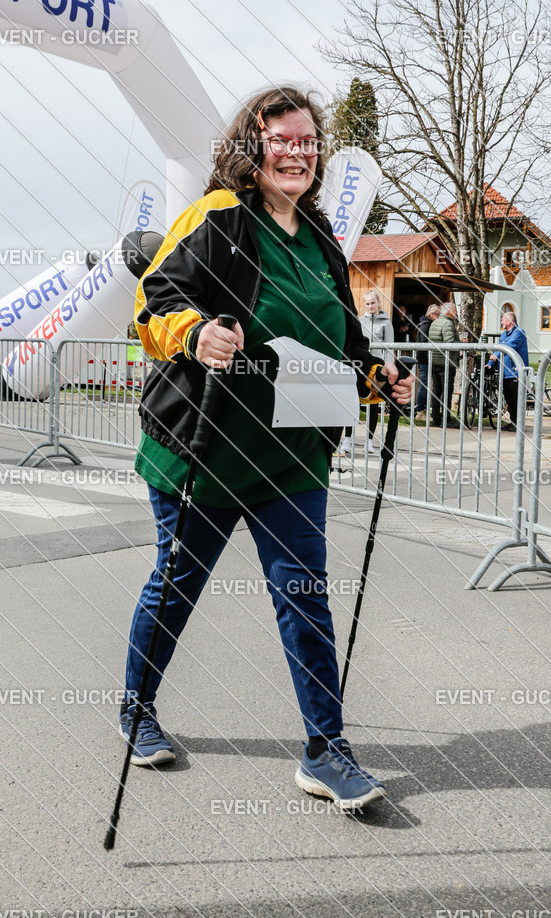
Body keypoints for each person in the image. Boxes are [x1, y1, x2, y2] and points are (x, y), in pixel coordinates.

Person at [120, 86, 414, 812]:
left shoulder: (321, 243)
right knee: (177, 585)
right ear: (252, 149)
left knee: (304, 596)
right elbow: (154, 301)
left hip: (289, 455)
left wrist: (379, 379)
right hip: (204, 447)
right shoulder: (217, 218)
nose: (296, 152)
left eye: (306, 141)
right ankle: (137, 707)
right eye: (281, 140)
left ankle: (325, 750)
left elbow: (344, 345)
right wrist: (195, 333)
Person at [340, 290, 394, 454]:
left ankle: (369, 440)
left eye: (373, 303)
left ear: (378, 303)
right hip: (359, 366)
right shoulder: (359, 321)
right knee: (352, 403)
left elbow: (390, 347)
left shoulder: (386, 323)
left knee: (373, 406)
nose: (370, 306)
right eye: (367, 303)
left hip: (377, 369)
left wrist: (388, 369)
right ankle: (347, 439)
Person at [485, 311, 529, 432]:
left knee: (516, 399)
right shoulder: (504, 335)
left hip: (516, 372)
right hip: (504, 373)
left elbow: (509, 346)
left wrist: (496, 355)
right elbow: (498, 349)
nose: (501, 322)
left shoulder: (519, 332)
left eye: (503, 320)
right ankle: (513, 422)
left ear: (509, 321)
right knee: (509, 400)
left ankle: (519, 424)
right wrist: (490, 364)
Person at [428, 302, 461, 428]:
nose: (456, 313)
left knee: (436, 390)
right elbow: (449, 342)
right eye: (454, 310)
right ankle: (445, 419)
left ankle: (436, 418)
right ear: (448, 311)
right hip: (446, 362)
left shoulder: (435, 322)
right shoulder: (448, 323)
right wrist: (462, 344)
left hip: (435, 361)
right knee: (446, 391)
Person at [414, 304, 441, 414]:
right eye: (438, 315)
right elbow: (424, 341)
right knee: (424, 384)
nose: (439, 317)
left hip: (423, 357)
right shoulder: (426, 325)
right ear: (431, 314)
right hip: (424, 358)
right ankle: (420, 408)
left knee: (425, 383)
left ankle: (422, 407)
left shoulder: (424, 323)